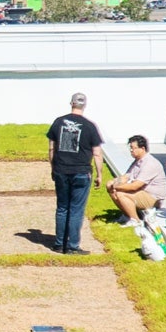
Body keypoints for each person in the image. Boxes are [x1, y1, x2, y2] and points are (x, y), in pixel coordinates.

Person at [47, 92, 103, 254]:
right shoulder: (90, 126)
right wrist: (99, 174)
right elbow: (97, 153)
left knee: (62, 207)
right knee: (76, 209)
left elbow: (52, 148)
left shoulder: (58, 123)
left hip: (61, 170)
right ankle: (72, 246)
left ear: (71, 103)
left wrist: (53, 167)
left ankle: (59, 244)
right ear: (84, 105)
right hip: (81, 171)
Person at [107, 135, 166, 223]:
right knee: (113, 189)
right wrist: (112, 183)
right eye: (130, 148)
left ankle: (135, 221)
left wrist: (116, 187)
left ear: (142, 148)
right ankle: (127, 215)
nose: (131, 150)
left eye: (133, 148)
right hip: (143, 193)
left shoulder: (150, 163)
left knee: (120, 194)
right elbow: (126, 177)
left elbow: (135, 186)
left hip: (154, 198)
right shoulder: (137, 161)